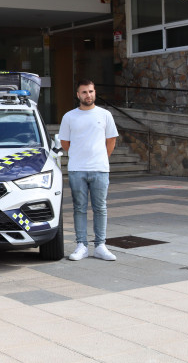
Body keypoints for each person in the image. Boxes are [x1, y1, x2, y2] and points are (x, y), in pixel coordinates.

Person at [59, 79, 119, 262]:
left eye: (91, 91)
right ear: (78, 95)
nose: (88, 95)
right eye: (84, 92)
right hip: (77, 169)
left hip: (100, 169)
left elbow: (111, 140)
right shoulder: (69, 116)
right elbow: (65, 143)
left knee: (100, 208)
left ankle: (100, 245)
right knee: (79, 208)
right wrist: (80, 155)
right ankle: (81, 245)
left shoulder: (105, 114)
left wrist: (101, 157)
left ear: (95, 92)